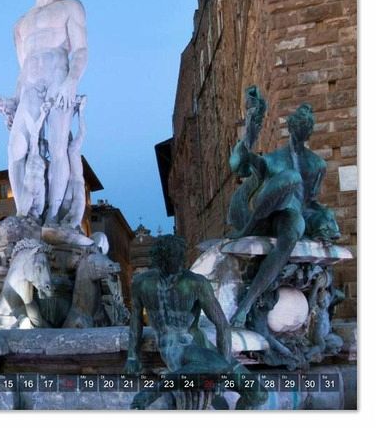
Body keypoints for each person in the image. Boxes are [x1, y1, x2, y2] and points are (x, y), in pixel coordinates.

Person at [227, 88, 335, 327]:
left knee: (293, 229)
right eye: (300, 124)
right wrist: (251, 128)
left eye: (308, 126)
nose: (304, 129)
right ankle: (247, 229)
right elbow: (239, 164)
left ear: (309, 130)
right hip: (265, 215)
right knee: (291, 177)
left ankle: (246, 305)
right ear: (292, 127)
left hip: (291, 216)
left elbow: (311, 201)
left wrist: (324, 221)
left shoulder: (317, 164)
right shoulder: (273, 159)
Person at [125, 235, 265, 410]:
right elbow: (136, 321)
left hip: (200, 346)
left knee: (258, 393)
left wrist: (223, 368)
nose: (181, 261)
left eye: (181, 256)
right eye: (175, 256)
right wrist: (132, 356)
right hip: (175, 348)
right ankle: (153, 392)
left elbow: (222, 325)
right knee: (218, 367)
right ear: (161, 258)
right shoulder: (141, 283)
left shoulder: (196, 283)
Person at [8, 0, 88, 226]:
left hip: (58, 81)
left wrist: (71, 81)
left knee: (57, 148)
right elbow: (22, 68)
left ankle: (53, 217)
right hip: (30, 87)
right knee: (16, 148)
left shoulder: (71, 7)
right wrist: (13, 100)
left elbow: (81, 50)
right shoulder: (20, 24)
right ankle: (24, 213)